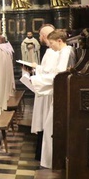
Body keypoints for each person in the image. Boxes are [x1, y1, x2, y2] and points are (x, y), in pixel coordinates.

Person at [30, 29, 74, 168]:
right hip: (58, 93)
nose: (50, 46)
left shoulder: (66, 52)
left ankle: (51, 162)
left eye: (52, 43)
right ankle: (49, 161)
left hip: (61, 94)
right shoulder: (63, 51)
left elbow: (59, 75)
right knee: (50, 127)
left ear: (59, 41)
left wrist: (37, 80)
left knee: (51, 128)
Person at [27, 24, 55, 161]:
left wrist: (36, 71)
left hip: (48, 92)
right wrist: (37, 68)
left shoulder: (53, 51)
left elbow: (51, 73)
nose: (39, 38)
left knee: (46, 123)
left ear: (44, 36)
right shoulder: (51, 50)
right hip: (45, 90)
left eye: (40, 36)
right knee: (44, 123)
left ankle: (43, 155)